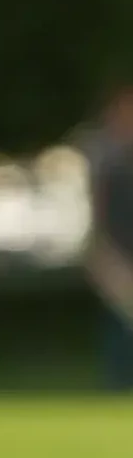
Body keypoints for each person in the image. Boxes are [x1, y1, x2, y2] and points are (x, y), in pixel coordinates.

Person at [83, 84, 133, 391]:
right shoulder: (105, 157)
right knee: (120, 321)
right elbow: (101, 214)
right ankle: (120, 384)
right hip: (116, 253)